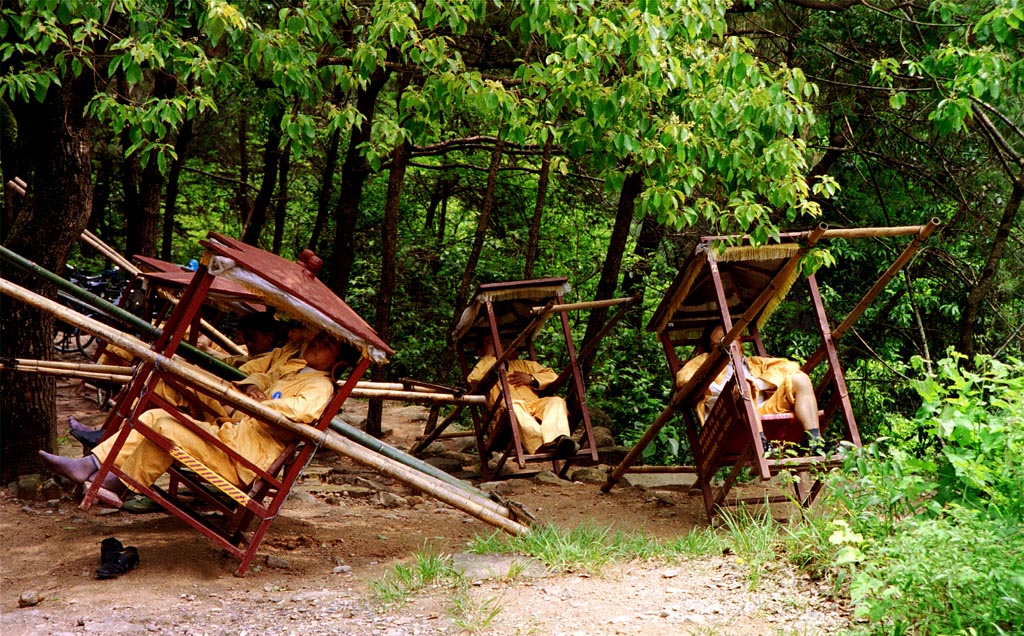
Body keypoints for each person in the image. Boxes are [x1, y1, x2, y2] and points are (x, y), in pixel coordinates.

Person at [41, 330, 356, 506]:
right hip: (231, 437)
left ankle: (108, 478)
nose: (316, 343)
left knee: (164, 424)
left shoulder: (320, 384)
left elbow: (299, 412)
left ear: (339, 361)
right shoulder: (296, 368)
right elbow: (257, 376)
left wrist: (259, 406)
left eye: (328, 344)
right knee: (159, 419)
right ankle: (101, 474)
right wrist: (255, 392)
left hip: (243, 457)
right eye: (319, 337)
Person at [675, 323, 824, 456]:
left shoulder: (754, 363)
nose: (729, 346)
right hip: (728, 416)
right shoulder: (704, 362)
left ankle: (815, 442)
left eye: (733, 340)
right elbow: (683, 379)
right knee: (742, 385)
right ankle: (761, 444)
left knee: (800, 379)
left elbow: (790, 367)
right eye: (720, 344)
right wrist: (721, 388)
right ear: (711, 349)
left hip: (762, 410)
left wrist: (757, 384)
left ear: (740, 343)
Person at [467, 335, 577, 459]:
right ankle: (541, 444)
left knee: (556, 401)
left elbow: (553, 376)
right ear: (480, 351)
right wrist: (489, 356)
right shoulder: (482, 369)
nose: (494, 344)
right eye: (489, 342)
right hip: (506, 413)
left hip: (534, 406)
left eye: (496, 341)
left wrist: (531, 378)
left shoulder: (523, 364)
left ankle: (559, 439)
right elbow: (473, 379)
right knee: (513, 406)